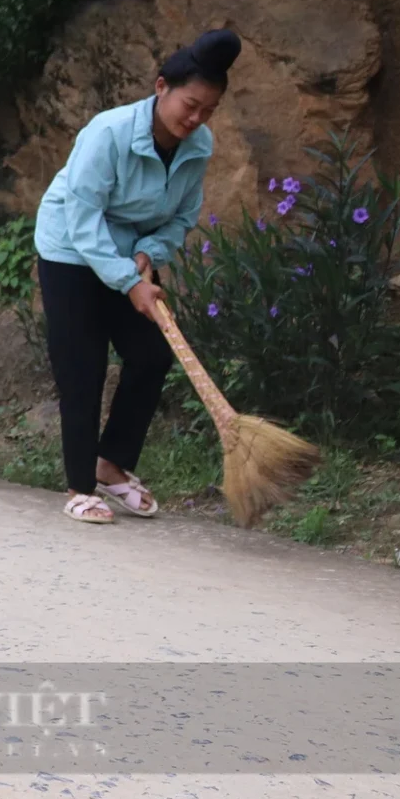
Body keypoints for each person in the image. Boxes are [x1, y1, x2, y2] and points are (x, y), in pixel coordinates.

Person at [34, 28, 240, 525]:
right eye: (189, 105)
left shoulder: (198, 146)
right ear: (161, 86)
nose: (195, 120)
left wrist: (148, 253)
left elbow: (183, 215)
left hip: (130, 258)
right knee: (82, 367)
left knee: (150, 355)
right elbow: (83, 215)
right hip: (70, 251)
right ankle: (80, 486)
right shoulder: (108, 133)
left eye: (208, 111)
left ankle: (112, 464)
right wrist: (129, 282)